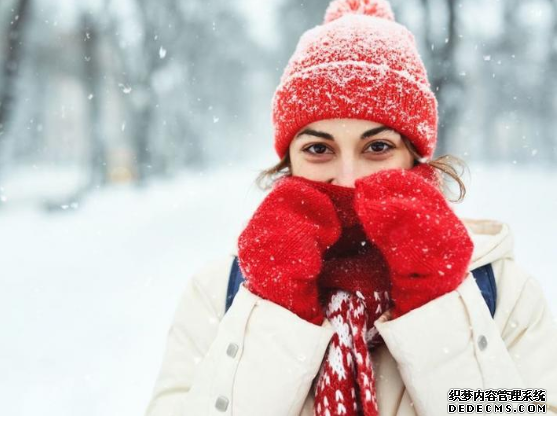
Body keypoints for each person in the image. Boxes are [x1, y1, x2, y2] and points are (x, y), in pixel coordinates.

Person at [144, 0, 557, 416]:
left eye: (377, 147)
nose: (346, 178)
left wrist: (437, 303)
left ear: (414, 158)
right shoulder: (221, 295)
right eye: (318, 149)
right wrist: (277, 307)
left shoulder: (501, 294)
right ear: (289, 160)